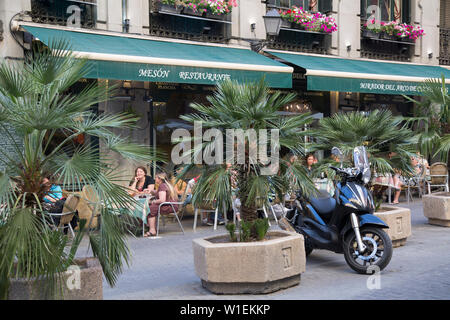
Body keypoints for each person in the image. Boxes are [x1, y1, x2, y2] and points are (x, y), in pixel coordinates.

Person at [144, 172, 178, 237]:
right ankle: (151, 228)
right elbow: (158, 193)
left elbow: (162, 200)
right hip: (171, 205)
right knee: (151, 207)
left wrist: (153, 201)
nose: (155, 179)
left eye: (156, 178)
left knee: (150, 208)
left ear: (160, 179)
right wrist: (151, 191)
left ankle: (152, 230)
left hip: (169, 206)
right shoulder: (164, 185)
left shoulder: (162, 186)